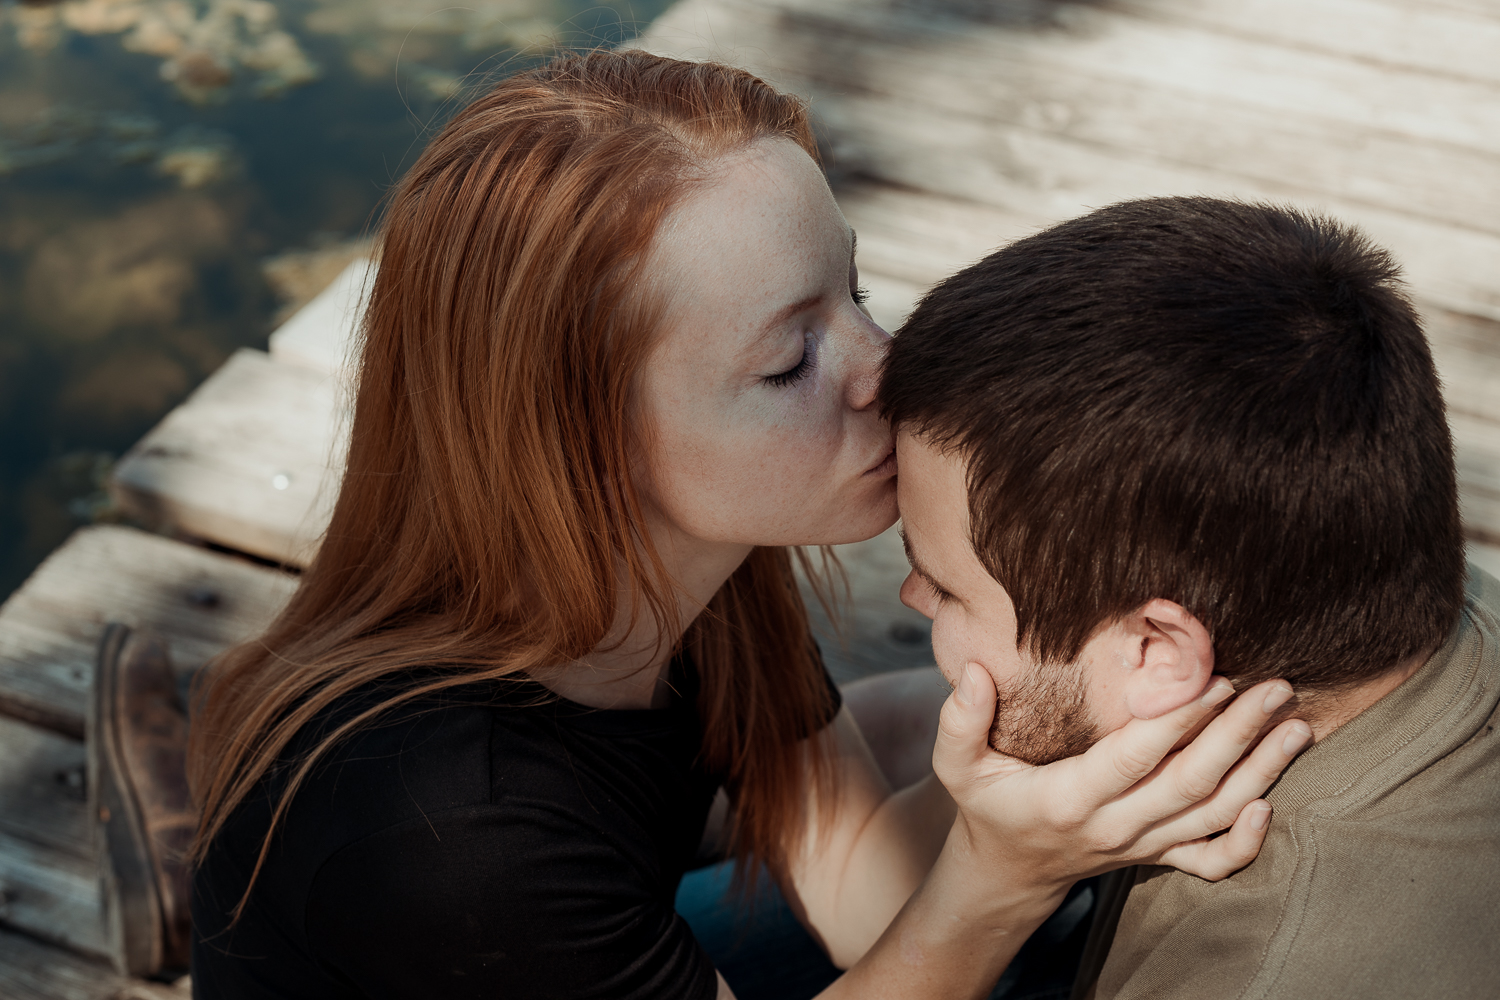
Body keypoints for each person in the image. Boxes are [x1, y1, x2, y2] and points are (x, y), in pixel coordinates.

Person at [96, 52, 1308, 998]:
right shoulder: (460, 830)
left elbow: (851, 895)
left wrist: (1064, 743)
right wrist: (1009, 872)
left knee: (946, 770)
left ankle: (216, 870)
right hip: (475, 910)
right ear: (582, 442)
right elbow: (906, 920)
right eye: (790, 360)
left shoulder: (702, 561)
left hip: (539, 906)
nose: (884, 369)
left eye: (857, 289)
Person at [880, 196, 1500, 1000]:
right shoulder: (1389, 593)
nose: (911, 595)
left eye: (949, 585)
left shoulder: (1258, 969)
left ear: (1156, 653)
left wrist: (1000, 878)